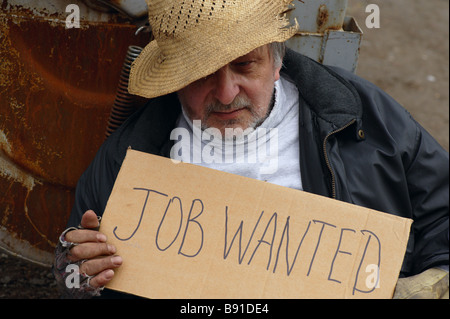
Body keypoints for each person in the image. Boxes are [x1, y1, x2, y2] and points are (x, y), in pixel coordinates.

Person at [53, 0, 449, 299]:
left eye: (245, 66)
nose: (226, 94)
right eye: (202, 74)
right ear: (173, 79)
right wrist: (77, 271)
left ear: (276, 60)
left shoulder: (360, 117)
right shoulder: (130, 157)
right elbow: (77, 268)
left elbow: (442, 211)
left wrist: (433, 280)